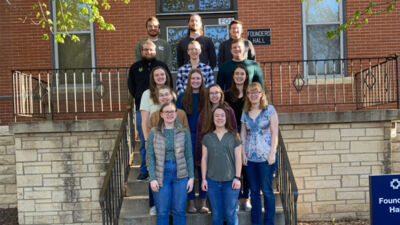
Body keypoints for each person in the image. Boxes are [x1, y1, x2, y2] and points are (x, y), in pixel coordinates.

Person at [128, 40, 173, 181]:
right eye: (145, 50)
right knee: (144, 141)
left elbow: (169, 83)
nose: (148, 52)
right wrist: (140, 97)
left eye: (151, 50)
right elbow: (131, 86)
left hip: (165, 114)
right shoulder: (135, 67)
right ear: (141, 52)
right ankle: (144, 170)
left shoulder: (162, 66)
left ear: (155, 51)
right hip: (144, 109)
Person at [147, 102, 195, 225]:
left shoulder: (184, 132)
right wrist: (152, 178)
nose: (169, 114)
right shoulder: (154, 132)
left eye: (172, 112)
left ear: (176, 114)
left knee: (179, 211)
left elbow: (189, 156)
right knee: (162, 212)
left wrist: (191, 177)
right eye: (166, 112)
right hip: (161, 173)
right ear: (161, 115)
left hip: (181, 174)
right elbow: (150, 157)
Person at [240, 82, 278, 225]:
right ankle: (255, 222)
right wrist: (243, 154)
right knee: (254, 192)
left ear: (261, 94)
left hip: (265, 157)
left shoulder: (269, 110)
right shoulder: (245, 112)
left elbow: (275, 133)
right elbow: (243, 134)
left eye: (256, 92)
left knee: (267, 190)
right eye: (250, 93)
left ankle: (269, 222)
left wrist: (272, 153)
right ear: (248, 96)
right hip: (250, 158)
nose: (253, 95)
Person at [201, 106, 242, 225]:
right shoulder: (207, 137)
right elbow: (204, 159)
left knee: (230, 213)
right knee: (216, 214)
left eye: (222, 115)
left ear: (226, 118)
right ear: (213, 119)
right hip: (212, 181)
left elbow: (238, 158)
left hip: (231, 181)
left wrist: (237, 178)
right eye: (217, 116)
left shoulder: (234, 135)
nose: (220, 118)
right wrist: (203, 179)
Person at [176, 68, 208, 213]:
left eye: (198, 78)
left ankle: (203, 201)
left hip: (204, 136)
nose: (195, 81)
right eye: (193, 78)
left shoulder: (207, 96)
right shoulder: (182, 97)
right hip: (188, 136)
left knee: (203, 169)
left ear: (202, 81)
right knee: (189, 170)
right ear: (189, 81)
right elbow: (178, 119)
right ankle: (190, 202)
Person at [224, 64, 251, 211]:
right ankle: (235, 197)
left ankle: (245, 198)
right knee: (234, 168)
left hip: (248, 134)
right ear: (233, 77)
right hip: (231, 134)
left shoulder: (250, 93)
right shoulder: (226, 95)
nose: (239, 76)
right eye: (237, 74)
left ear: (246, 76)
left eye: (242, 74)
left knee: (246, 168)